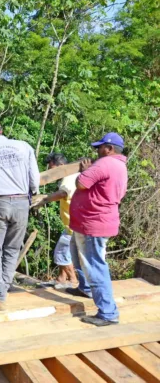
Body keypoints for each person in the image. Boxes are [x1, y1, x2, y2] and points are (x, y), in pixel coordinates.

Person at [67, 132, 128, 326]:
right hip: (96, 221)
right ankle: (85, 288)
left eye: (100, 147)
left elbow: (81, 183)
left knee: (95, 266)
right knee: (79, 256)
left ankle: (108, 313)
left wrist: (86, 170)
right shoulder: (120, 166)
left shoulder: (105, 163)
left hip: (94, 224)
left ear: (109, 149)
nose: (97, 150)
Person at [0, 121, 40, 311]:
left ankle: (0, 296)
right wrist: (34, 191)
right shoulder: (24, 146)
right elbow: (34, 177)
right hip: (22, 203)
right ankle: (4, 288)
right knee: (12, 249)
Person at [44, 152, 80, 289]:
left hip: (73, 226)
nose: (50, 172)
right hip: (71, 224)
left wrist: (45, 199)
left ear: (62, 166)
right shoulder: (72, 177)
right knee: (64, 250)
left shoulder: (69, 178)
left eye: (52, 169)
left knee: (60, 253)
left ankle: (73, 280)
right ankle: (61, 279)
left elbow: (63, 193)